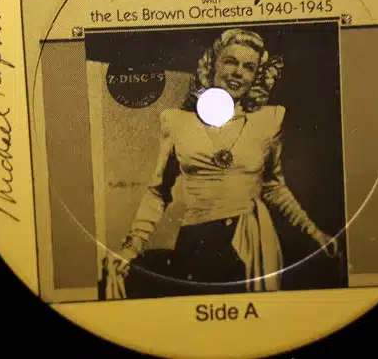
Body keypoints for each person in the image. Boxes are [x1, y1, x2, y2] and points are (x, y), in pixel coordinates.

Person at [103, 28, 339, 299]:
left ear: (256, 76)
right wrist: (131, 247)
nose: (238, 72)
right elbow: (157, 192)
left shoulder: (269, 121)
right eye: (230, 61)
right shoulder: (176, 122)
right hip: (196, 240)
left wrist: (315, 234)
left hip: (251, 241)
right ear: (212, 64)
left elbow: (274, 187)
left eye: (248, 67)